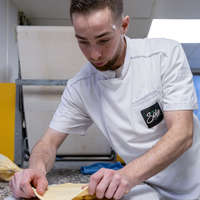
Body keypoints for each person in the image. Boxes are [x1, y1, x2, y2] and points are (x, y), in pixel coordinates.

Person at [10, 0, 200, 199]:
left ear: (124, 26)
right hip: (145, 186)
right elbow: (47, 144)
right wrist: (36, 171)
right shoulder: (80, 87)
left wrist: (126, 175)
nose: (94, 54)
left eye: (103, 40)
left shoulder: (164, 55)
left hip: (194, 184)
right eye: (83, 41)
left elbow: (182, 134)